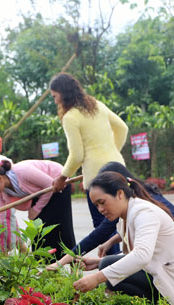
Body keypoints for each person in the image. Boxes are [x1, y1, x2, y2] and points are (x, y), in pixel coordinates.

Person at [72, 171, 174, 305]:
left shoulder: (144, 213)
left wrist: (96, 278)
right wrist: (97, 262)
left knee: (107, 271)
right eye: (96, 205)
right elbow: (135, 255)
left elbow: (141, 256)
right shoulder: (127, 215)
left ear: (120, 194)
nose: (100, 209)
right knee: (106, 263)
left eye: (102, 202)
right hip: (173, 274)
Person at [48, 162, 174, 270]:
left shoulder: (136, 204)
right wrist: (111, 242)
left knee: (116, 265)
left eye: (102, 201)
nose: (101, 209)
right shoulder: (138, 195)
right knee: (113, 263)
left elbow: (95, 237)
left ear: (118, 189)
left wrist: (61, 262)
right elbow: (139, 228)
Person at [48, 72, 129, 229]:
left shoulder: (70, 117)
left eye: (55, 96)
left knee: (103, 228)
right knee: (126, 223)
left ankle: (112, 255)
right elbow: (122, 128)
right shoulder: (97, 105)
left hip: (95, 175)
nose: (55, 101)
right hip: (118, 168)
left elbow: (77, 155)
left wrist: (62, 178)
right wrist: (111, 152)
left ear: (63, 94)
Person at [0, 159, 76, 258]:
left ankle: (73, 261)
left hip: (57, 184)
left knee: (62, 228)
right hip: (40, 193)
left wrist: (36, 209)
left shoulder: (23, 171)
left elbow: (49, 184)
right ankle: (47, 265)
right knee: (38, 231)